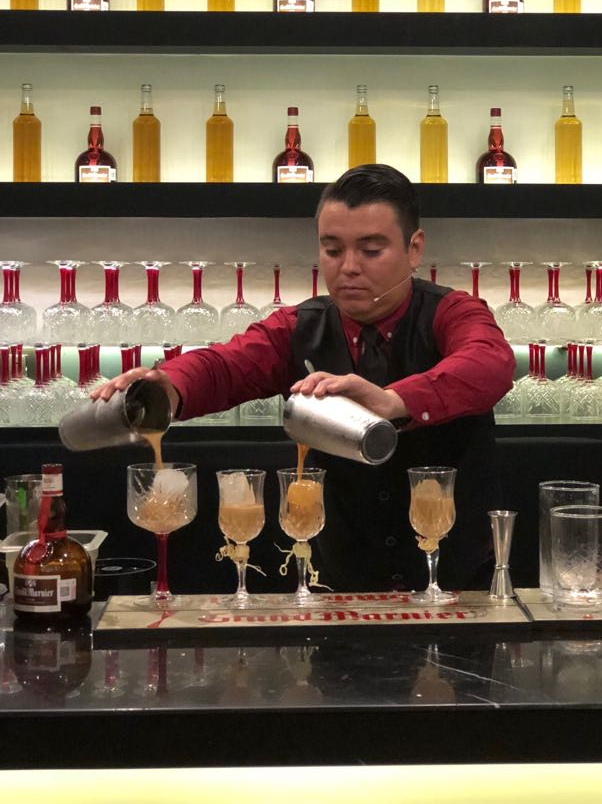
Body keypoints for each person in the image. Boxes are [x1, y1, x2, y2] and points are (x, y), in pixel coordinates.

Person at [94, 164, 515, 592]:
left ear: (414, 248)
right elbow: (224, 365)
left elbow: (490, 362)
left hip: (459, 582)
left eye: (371, 250)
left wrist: (394, 400)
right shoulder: (299, 327)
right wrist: (166, 386)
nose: (348, 267)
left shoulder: (452, 312)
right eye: (332, 250)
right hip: (340, 584)